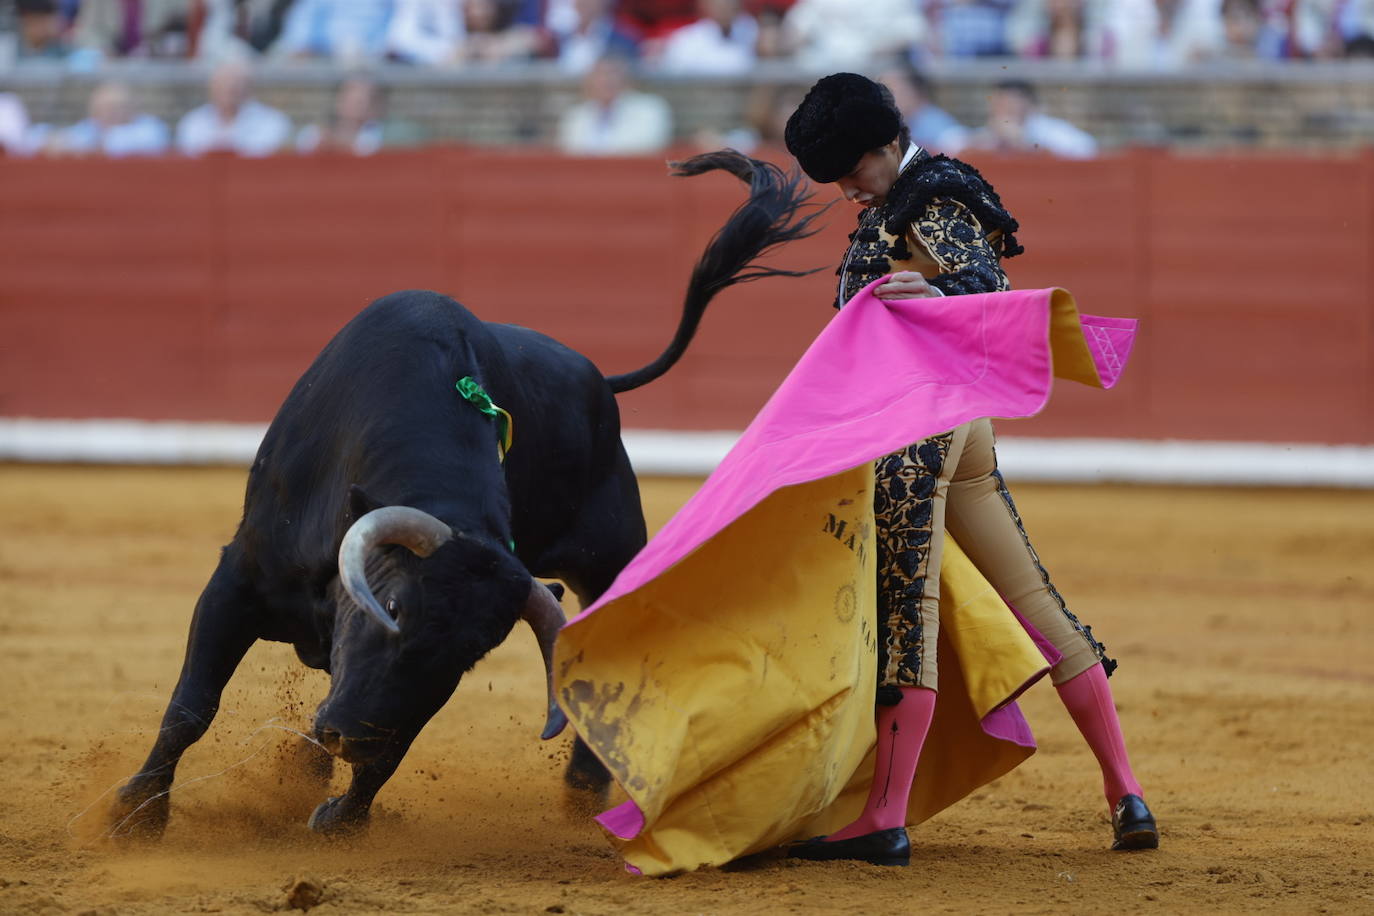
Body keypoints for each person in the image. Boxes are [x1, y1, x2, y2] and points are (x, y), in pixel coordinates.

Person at [781, 72, 1156, 865]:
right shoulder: (905, 197)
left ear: (889, 143)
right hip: (962, 430)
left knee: (904, 613)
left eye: (854, 168)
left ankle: (884, 817)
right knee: (1036, 602)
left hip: (919, 432)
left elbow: (990, 281)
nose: (849, 186)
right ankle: (1125, 791)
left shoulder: (928, 196)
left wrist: (944, 284)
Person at [555, 53, 672, 155]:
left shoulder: (650, 109)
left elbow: (650, 147)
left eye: (612, 73)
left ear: (626, 78)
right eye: (600, 74)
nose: (606, 80)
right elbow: (570, 153)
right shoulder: (576, 116)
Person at [176, 58, 292, 156]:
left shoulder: (273, 121)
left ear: (248, 88)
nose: (229, 91)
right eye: (222, 84)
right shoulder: (193, 121)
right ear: (212, 87)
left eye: (236, 85)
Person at [964, 78, 1098, 159]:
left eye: (1009, 104)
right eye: (998, 104)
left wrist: (1025, 143)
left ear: (1029, 105)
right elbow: (952, 147)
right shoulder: (987, 134)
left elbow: (1086, 148)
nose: (1003, 110)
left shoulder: (1049, 130)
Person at [52, 81, 170, 157]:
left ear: (131, 108)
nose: (111, 113)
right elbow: (63, 140)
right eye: (104, 107)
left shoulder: (150, 128)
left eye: (117, 107)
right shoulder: (90, 127)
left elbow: (146, 143)